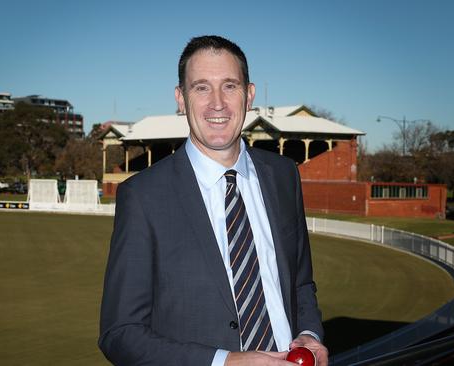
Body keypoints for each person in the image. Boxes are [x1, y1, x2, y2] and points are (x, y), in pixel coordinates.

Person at [99, 35, 328, 366]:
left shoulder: (283, 176)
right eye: (201, 87)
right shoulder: (143, 196)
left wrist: (310, 334)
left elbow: (301, 283)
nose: (217, 103)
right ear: (180, 98)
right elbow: (120, 334)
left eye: (230, 86)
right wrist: (226, 362)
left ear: (249, 95)